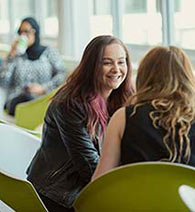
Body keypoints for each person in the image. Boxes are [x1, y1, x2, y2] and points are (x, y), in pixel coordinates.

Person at [26, 35, 134, 211]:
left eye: (121, 62)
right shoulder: (70, 104)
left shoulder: (122, 99)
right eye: (107, 62)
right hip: (57, 194)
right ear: (92, 66)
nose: (116, 69)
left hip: (86, 188)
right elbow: (89, 165)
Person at [92, 46, 195, 181]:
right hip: (188, 200)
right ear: (187, 78)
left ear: (144, 76)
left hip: (139, 200)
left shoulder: (123, 117)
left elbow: (100, 181)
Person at [0, 17, 66, 116]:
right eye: (20, 32)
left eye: (26, 32)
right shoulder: (17, 55)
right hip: (18, 100)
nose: (23, 35)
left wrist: (43, 88)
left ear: (36, 32)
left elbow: (62, 74)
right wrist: (11, 55)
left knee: (46, 106)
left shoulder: (49, 52)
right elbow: (3, 81)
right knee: (24, 100)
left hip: (42, 99)